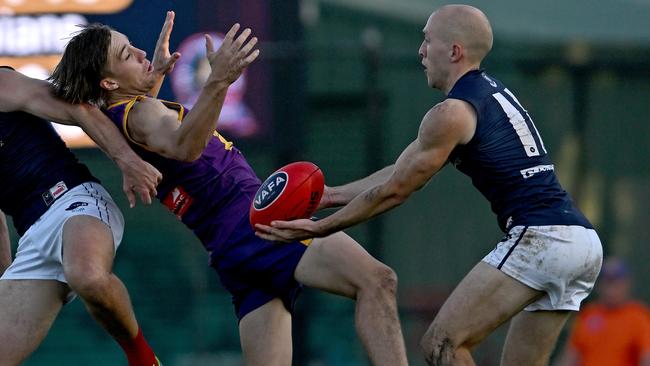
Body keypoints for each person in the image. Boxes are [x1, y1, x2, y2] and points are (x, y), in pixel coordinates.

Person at [50, 12, 409, 366]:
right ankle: (416, 164)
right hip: (258, 228)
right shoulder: (140, 115)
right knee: (377, 281)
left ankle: (414, 166)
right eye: (128, 55)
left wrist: (153, 79)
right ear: (109, 84)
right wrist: (218, 80)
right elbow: (184, 148)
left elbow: (154, 135)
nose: (143, 54)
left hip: (233, 250)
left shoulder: (130, 115)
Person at [255, 4, 604, 366]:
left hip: (541, 238)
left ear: (453, 51)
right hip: (581, 242)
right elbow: (398, 172)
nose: (420, 51)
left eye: (427, 40)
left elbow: (396, 191)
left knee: (442, 344)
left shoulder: (450, 114)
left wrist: (319, 229)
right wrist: (330, 196)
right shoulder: (489, 93)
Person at [0, 13, 182, 366]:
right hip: (33, 238)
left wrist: (127, 162)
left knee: (86, 274)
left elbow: (78, 106)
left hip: (74, 200)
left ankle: (143, 359)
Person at [555, 257, 650, 366]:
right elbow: (571, 356)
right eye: (608, 281)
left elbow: (646, 357)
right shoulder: (588, 314)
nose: (612, 288)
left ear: (627, 284)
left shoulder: (638, 316)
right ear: (599, 285)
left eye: (616, 281)